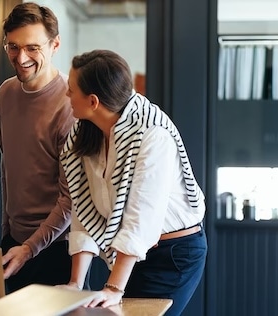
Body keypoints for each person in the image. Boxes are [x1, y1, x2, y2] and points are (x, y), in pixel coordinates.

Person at [59, 49, 207, 316]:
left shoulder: (152, 134)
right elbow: (83, 206)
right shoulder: (86, 131)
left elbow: (143, 218)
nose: (66, 95)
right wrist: (75, 284)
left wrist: (114, 288)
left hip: (173, 255)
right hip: (131, 254)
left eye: (71, 90)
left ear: (93, 101)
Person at [0, 2, 77, 293]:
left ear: (55, 45)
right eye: (13, 47)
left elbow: (71, 199)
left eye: (33, 47)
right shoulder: (5, 93)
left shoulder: (71, 104)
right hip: (13, 244)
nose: (21, 58)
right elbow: (8, 167)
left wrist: (30, 248)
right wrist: (8, 235)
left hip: (58, 250)